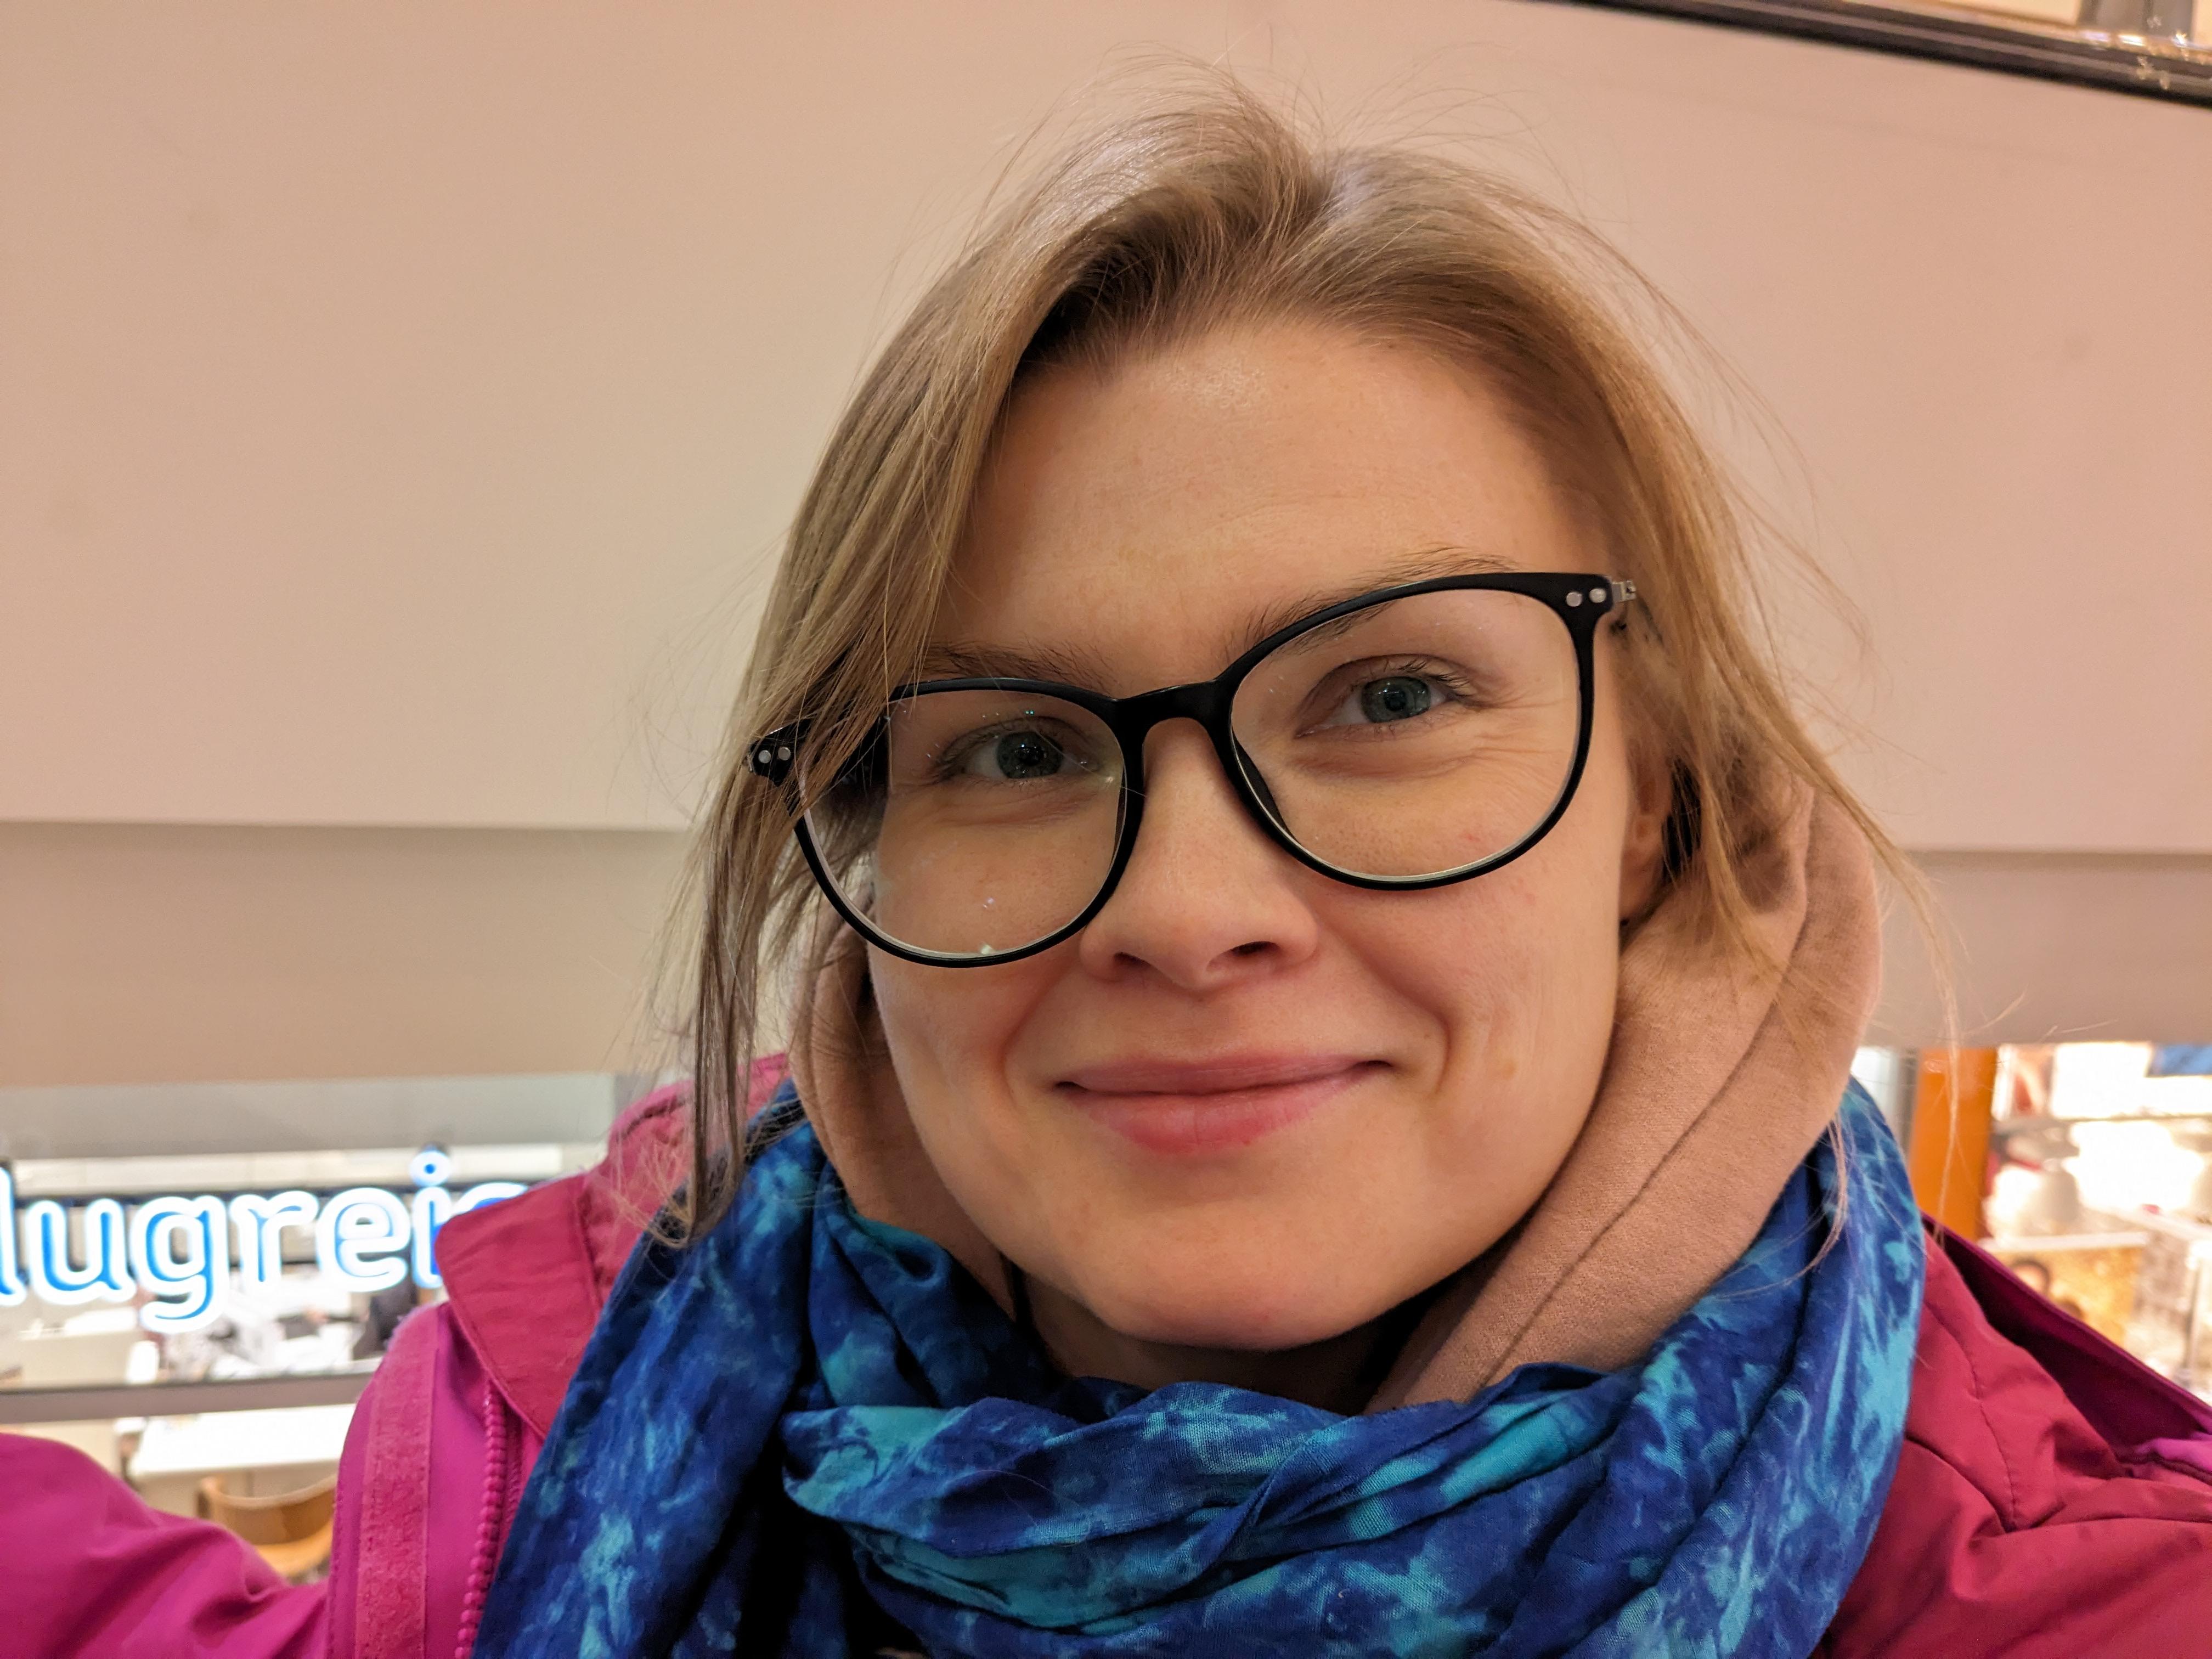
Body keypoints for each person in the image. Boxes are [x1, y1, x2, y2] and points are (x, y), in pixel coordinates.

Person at [9, 83, 2211, 1659]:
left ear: (1659, 800)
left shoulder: (2079, 1600)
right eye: (1017, 745)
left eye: (1389, 696)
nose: (1183, 908)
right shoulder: (566, 1405)